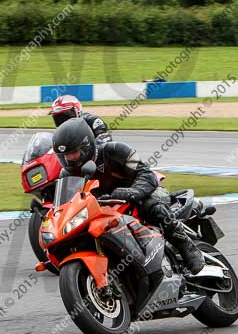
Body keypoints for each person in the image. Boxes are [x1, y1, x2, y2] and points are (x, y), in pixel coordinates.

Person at [52, 118, 218, 278]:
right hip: (108, 210)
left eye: (73, 153)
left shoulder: (114, 150)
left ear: (86, 145)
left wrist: (132, 192)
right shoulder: (66, 174)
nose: (70, 159)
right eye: (65, 156)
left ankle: (187, 248)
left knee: (150, 206)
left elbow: (146, 174)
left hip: (145, 193)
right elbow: (67, 204)